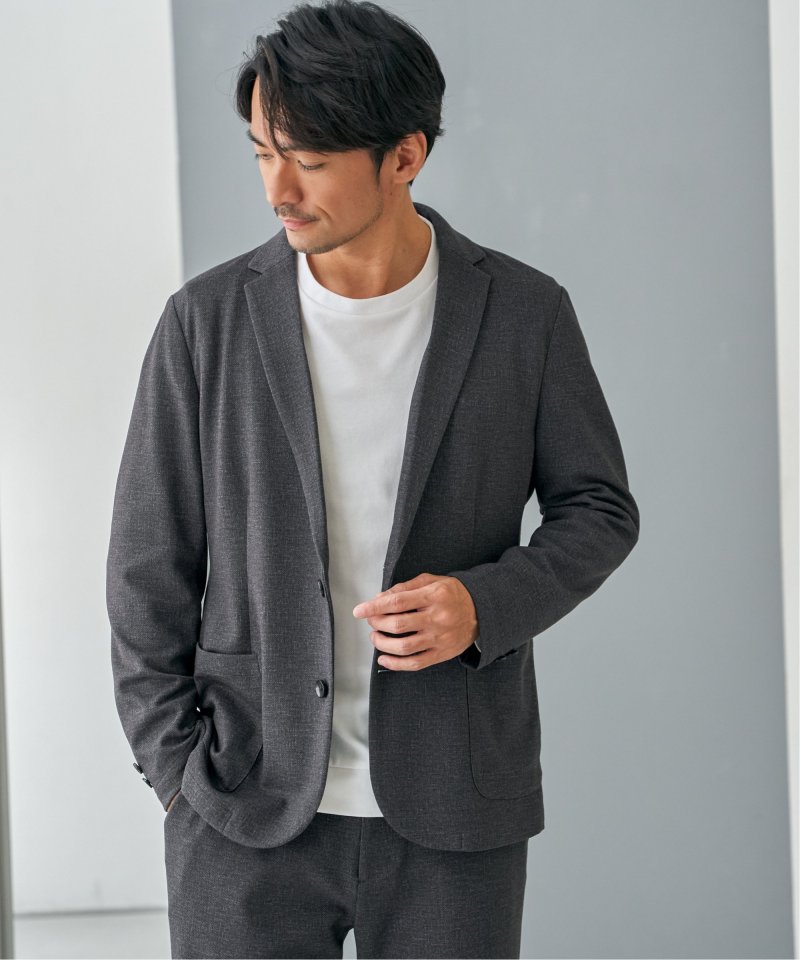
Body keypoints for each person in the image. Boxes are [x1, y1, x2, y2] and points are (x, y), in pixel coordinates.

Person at [106, 1, 640, 957]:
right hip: (242, 807)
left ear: (405, 156)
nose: (278, 188)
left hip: (455, 810)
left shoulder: (524, 314)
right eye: (263, 152)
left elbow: (598, 508)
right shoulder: (205, 323)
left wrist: (483, 605)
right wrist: (175, 770)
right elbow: (147, 565)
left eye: (308, 160)